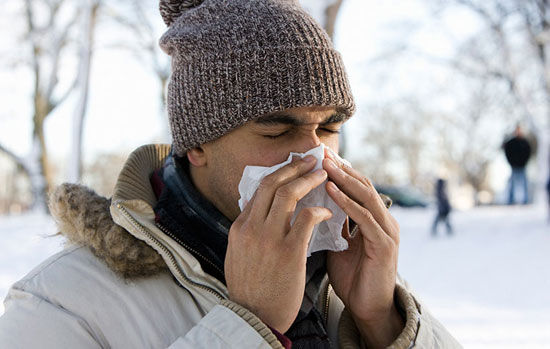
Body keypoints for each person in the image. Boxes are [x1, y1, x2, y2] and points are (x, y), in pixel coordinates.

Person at [0, 1, 461, 348]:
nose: (314, 155)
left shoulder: (349, 276)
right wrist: (246, 324)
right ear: (197, 145)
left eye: (329, 127)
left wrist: (384, 321)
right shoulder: (62, 303)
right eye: (278, 129)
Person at [503, 125, 532, 204]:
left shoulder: (525, 142)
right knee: (512, 184)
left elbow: (529, 152)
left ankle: (525, 200)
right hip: (514, 166)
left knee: (525, 183)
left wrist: (525, 162)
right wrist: (511, 162)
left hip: (522, 166)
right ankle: (510, 200)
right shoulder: (511, 142)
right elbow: (507, 151)